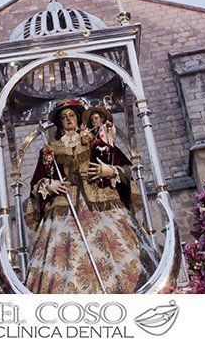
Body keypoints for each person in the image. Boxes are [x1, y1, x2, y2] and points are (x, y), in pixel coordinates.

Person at [25, 99, 158, 293]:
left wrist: (109, 171)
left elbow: (126, 168)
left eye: (71, 115)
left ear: (78, 119)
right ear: (60, 123)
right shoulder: (50, 150)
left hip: (102, 202)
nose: (68, 119)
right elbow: (37, 182)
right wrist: (49, 184)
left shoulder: (97, 141)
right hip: (64, 206)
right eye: (63, 117)